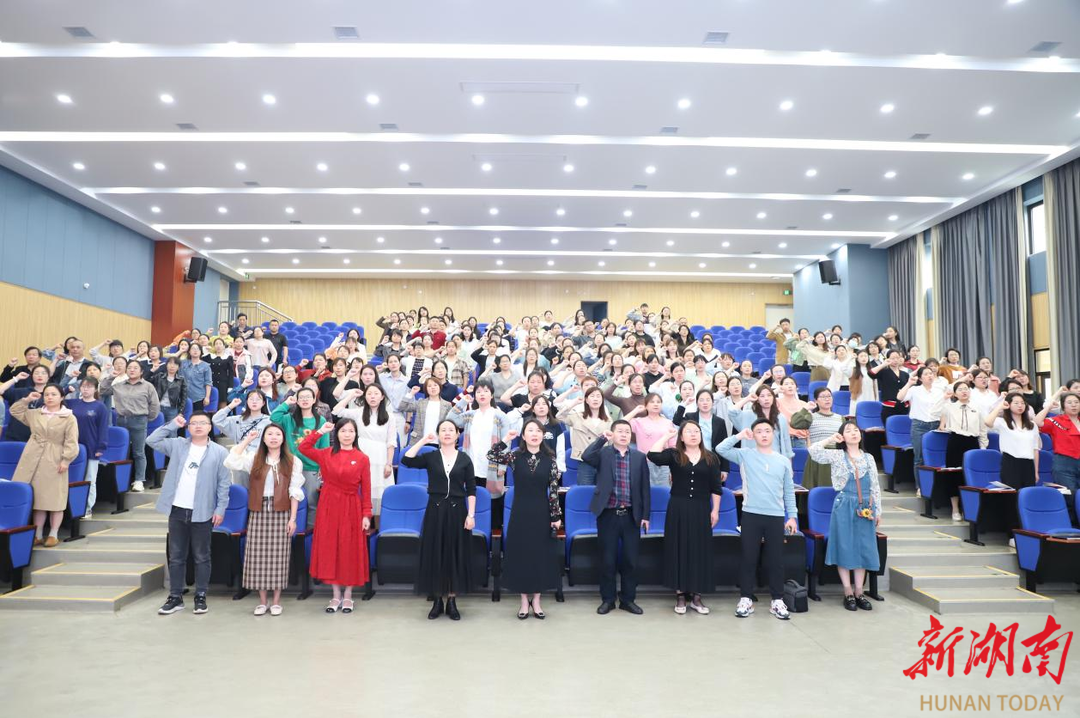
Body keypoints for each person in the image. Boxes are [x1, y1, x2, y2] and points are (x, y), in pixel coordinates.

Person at [149, 412, 231, 615]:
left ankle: (200, 596)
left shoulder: (220, 452)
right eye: (194, 423)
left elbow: (224, 484)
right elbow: (152, 440)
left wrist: (220, 508)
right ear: (188, 427)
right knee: (176, 556)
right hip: (177, 508)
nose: (198, 426)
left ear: (210, 427)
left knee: (202, 556)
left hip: (203, 510)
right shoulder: (177, 445)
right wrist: (172, 424)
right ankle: (175, 597)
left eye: (203, 423)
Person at [717, 421, 798, 620]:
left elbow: (789, 491)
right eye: (759, 431)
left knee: (776, 560)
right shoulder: (745, 455)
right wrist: (739, 436)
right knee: (748, 558)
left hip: (775, 516)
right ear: (753, 435)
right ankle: (746, 598)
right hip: (751, 514)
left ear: (773, 434)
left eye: (767, 431)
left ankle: (777, 600)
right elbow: (721, 449)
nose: (763, 434)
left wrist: (792, 516)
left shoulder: (783, 461)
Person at [487, 419, 563, 619]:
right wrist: (506, 439)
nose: (534, 434)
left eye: (538, 430)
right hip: (520, 512)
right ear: (523, 435)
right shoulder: (515, 456)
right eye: (530, 430)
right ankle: (523, 601)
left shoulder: (550, 459)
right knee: (521, 555)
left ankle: (536, 601)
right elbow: (491, 455)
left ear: (543, 435)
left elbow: (553, 490)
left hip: (541, 512)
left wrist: (556, 515)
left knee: (539, 555)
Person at [224, 425, 304, 616]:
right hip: (258, 511)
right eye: (269, 434)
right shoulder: (254, 458)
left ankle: (276, 601)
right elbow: (231, 461)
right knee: (257, 557)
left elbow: (294, 491)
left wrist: (293, 519)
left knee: (279, 557)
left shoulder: (293, 461)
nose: (274, 437)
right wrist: (247, 440)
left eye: (278, 434)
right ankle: (262, 601)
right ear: (264, 438)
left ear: (283, 438)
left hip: (281, 512)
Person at [401, 421, 477, 620]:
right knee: (435, 553)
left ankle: (451, 601)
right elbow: (406, 460)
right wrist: (423, 441)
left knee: (454, 554)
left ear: (458, 434)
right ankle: (437, 600)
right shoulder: (431, 456)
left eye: (451, 430)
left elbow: (471, 489)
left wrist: (471, 515)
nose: (447, 433)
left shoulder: (465, 459)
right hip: (435, 510)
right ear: (438, 434)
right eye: (443, 430)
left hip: (458, 512)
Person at [298, 418, 373, 614]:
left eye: (351, 431)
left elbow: (366, 489)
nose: (347, 435)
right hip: (329, 506)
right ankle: (335, 595)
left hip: (351, 507)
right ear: (337, 434)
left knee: (349, 549)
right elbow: (303, 448)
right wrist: (320, 431)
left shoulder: (362, 458)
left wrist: (366, 514)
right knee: (331, 548)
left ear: (356, 434)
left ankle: (348, 596)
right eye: (343, 431)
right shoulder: (326, 454)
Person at [648, 422, 722, 615]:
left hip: (701, 508)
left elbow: (716, 487)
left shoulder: (711, 458)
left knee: (699, 550)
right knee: (678, 547)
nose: (693, 434)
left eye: (696, 431)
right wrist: (667, 436)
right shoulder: (674, 455)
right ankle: (680, 595)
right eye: (688, 431)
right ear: (681, 437)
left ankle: (696, 597)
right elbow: (652, 455)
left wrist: (715, 511)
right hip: (678, 507)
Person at [808, 422, 882, 611]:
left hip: (866, 507)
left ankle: (859, 591)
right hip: (844, 504)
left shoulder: (869, 458)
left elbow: (875, 485)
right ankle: (848, 591)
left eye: (856, 430)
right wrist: (830, 439)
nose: (853, 433)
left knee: (863, 548)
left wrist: (878, 510)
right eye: (848, 431)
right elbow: (813, 451)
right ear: (842, 436)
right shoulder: (837, 455)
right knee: (845, 546)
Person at [582, 420, 651, 616]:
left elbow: (645, 488)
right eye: (619, 431)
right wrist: (601, 439)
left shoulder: (639, 457)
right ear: (613, 434)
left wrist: (645, 515)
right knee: (607, 560)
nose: (624, 434)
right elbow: (586, 456)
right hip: (608, 514)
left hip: (631, 515)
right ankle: (608, 600)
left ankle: (628, 600)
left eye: (627, 431)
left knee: (631, 560)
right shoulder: (603, 454)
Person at [9, 386, 80, 547]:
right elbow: (15, 411)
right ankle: (38, 534)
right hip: (32, 456)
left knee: (54, 498)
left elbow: (72, 441)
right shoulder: (36, 413)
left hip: (54, 457)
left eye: (54, 394)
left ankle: (53, 534)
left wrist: (66, 460)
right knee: (38, 499)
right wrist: (27, 400)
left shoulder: (69, 417)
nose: (49, 397)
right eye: (47, 394)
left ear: (61, 397)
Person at [332, 383, 397, 516]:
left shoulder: (390, 417)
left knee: (379, 493)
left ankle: (377, 524)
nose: (372, 397)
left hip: (380, 456)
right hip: (361, 454)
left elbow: (391, 442)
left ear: (382, 397)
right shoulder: (359, 412)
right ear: (365, 397)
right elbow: (336, 410)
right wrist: (351, 396)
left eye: (376, 394)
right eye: (369, 394)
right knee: (360, 489)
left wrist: (389, 463)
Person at [270, 388, 329, 530]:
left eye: (308, 397)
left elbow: (324, 445)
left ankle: (309, 532)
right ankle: (287, 529)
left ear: (314, 400)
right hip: (290, 466)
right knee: (287, 500)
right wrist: (287, 403)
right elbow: (274, 417)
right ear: (296, 400)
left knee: (311, 502)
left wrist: (323, 465)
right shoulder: (288, 418)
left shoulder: (320, 420)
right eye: (301, 397)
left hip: (311, 467)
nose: (305, 399)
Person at [100, 359, 160, 492]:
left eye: (135, 368)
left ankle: (139, 480)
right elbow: (103, 390)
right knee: (124, 452)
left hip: (139, 421)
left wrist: (146, 418)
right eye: (129, 368)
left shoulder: (148, 386)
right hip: (121, 421)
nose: (132, 370)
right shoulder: (119, 385)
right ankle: (123, 481)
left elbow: (155, 405)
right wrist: (111, 377)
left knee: (138, 452)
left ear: (141, 371)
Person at [449, 379, 510, 491]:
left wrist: (502, 465)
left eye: (486, 391)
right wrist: (463, 402)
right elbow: (451, 419)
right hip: (471, 462)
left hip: (491, 464)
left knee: (492, 497)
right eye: (478, 392)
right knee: (471, 496)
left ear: (492, 395)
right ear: (475, 397)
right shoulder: (470, 415)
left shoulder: (501, 416)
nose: (482, 394)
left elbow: (506, 441)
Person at [67, 377, 110, 519]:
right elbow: (57, 397)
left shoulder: (100, 407)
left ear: (95, 389)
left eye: (89, 386)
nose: (86, 389)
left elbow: (103, 428)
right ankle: (72, 508)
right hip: (73, 446)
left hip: (91, 447)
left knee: (90, 478)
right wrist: (66, 389)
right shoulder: (73, 403)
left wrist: (100, 447)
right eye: (83, 386)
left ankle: (87, 508)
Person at [984, 393, 1041, 492]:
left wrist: (1036, 471)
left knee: (1027, 493)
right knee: (1012, 494)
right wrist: (1000, 407)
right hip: (1010, 462)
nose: (1020, 405)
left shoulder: (1032, 425)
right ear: (1009, 405)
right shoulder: (1003, 422)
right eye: (1016, 403)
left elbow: (1035, 449)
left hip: (1028, 464)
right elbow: (987, 422)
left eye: (1022, 403)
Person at [898, 366, 947, 477]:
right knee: (919, 458)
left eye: (931, 373)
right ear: (920, 378)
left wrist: (942, 424)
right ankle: (919, 485)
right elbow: (900, 397)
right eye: (926, 374)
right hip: (919, 426)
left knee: (935, 457)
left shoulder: (939, 391)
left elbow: (944, 409)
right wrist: (909, 383)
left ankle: (933, 484)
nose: (930, 376)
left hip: (935, 425)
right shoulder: (915, 390)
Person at [561, 386, 612, 486]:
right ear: (586, 400)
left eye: (598, 396)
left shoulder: (608, 420)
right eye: (592, 396)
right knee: (585, 489)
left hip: (602, 460)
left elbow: (611, 443)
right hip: (584, 460)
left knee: (602, 490)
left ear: (602, 400)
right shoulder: (577, 416)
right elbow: (560, 416)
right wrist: (573, 403)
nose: (595, 399)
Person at [151, 356, 187, 424]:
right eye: (170, 363)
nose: (172, 366)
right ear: (166, 365)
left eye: (175, 364)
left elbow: (184, 397)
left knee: (171, 429)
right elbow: (147, 381)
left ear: (178, 367)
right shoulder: (160, 376)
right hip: (158, 408)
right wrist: (152, 371)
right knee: (159, 428)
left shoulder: (181, 380)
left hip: (173, 409)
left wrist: (180, 411)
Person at [180, 343, 213, 411]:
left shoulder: (206, 366)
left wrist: (207, 397)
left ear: (201, 352)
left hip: (198, 397)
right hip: (182, 396)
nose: (195, 350)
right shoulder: (183, 363)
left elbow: (208, 383)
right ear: (189, 351)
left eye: (197, 349)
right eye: (193, 349)